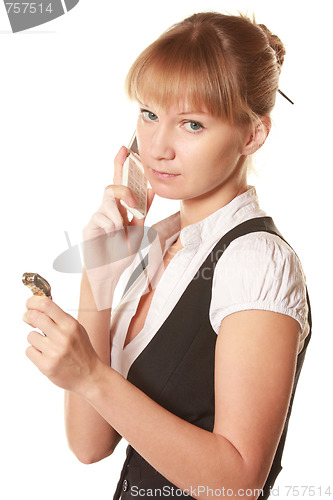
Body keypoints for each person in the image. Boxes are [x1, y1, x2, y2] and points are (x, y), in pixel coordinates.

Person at [22, 11, 311, 500]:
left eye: (191, 124)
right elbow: (90, 446)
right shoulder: (155, 245)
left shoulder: (255, 260)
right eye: (149, 114)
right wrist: (98, 279)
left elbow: (239, 483)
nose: (157, 148)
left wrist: (91, 374)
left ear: (252, 135)